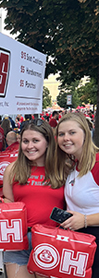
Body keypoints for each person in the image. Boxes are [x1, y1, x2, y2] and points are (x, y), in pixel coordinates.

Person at [0, 119, 65, 278]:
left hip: (50, 240)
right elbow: (10, 201)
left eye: (36, 140)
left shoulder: (62, 169)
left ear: (48, 142)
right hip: (18, 241)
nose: (30, 146)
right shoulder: (13, 168)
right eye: (25, 141)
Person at [56, 112, 99, 277]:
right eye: (61, 134)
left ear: (86, 134)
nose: (66, 138)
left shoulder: (97, 164)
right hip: (78, 244)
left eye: (72, 132)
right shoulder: (73, 165)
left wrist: (86, 220)